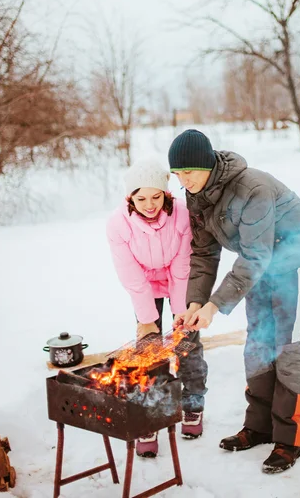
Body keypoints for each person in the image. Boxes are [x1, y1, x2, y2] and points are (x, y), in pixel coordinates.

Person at [168, 129, 300, 474]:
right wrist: (195, 303)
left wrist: (215, 305)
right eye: (178, 174)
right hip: (256, 266)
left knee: (287, 347)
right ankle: (259, 426)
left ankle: (289, 437)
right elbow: (204, 253)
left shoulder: (252, 188)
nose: (184, 180)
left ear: (207, 165)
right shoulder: (198, 194)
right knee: (257, 344)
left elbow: (255, 256)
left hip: (290, 262)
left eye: (189, 171)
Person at [106, 156, 208, 458]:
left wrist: (181, 310)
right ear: (130, 198)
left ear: (166, 194)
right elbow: (130, 275)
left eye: (155, 196)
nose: (149, 204)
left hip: (178, 275)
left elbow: (182, 264)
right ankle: (151, 413)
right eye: (141, 198)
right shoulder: (117, 224)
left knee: (187, 340)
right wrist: (148, 317)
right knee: (149, 346)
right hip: (145, 282)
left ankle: (193, 404)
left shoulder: (182, 214)